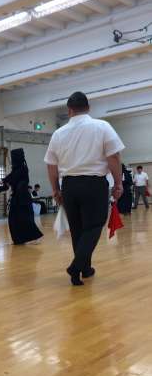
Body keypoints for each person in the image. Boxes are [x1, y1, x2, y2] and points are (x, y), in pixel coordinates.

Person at [45, 91, 124, 286]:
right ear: (88, 108)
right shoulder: (102, 126)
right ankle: (76, 266)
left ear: (69, 110)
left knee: (78, 230)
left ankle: (84, 270)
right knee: (94, 226)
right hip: (93, 185)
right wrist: (118, 183)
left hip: (69, 186)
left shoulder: (58, 133)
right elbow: (113, 157)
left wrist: (55, 190)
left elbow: (51, 165)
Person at [0, 148, 43, 245]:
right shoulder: (15, 170)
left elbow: (12, 178)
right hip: (16, 199)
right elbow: (8, 185)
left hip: (23, 199)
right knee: (13, 219)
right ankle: (18, 239)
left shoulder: (23, 169)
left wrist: (0, 181)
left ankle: (35, 237)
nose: (13, 161)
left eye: (13, 158)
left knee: (25, 219)